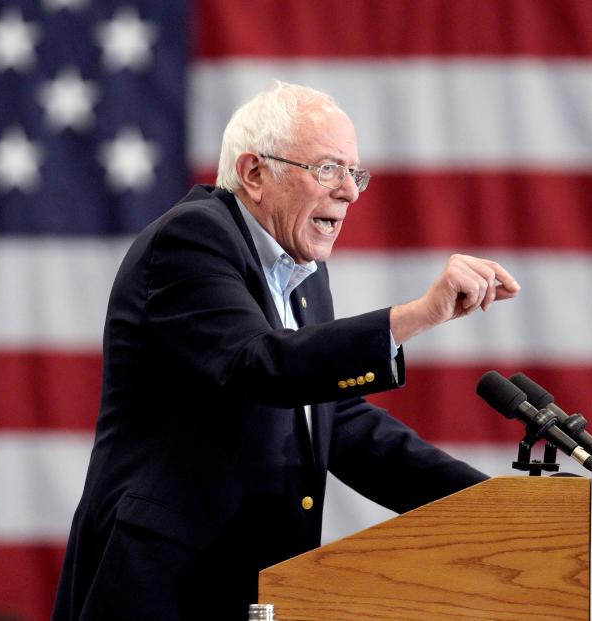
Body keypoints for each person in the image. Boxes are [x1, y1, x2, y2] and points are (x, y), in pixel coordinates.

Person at [51, 82, 520, 621]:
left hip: (252, 584)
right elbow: (258, 363)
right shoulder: (190, 240)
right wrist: (416, 315)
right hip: (161, 584)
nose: (349, 191)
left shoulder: (302, 271)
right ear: (254, 174)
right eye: (327, 169)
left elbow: (338, 423)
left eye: (354, 172)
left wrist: (493, 506)